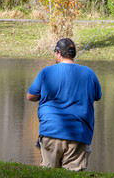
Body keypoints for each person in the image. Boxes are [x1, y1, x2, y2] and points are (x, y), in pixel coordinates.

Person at [27, 38, 102, 171]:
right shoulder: (89, 73)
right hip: (79, 134)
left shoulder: (46, 72)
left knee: (48, 174)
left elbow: (31, 96)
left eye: (55, 53)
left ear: (58, 53)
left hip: (50, 132)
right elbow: (97, 96)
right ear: (73, 54)